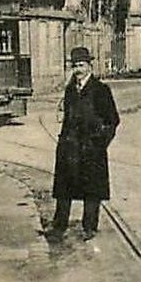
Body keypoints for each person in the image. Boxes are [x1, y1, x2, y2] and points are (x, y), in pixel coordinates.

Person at [47, 47, 119, 240]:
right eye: (75, 66)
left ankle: (89, 227)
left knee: (91, 190)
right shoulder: (71, 89)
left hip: (91, 147)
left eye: (81, 65)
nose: (78, 70)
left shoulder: (101, 90)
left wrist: (100, 142)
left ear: (89, 66)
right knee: (64, 188)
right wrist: (63, 141)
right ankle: (59, 226)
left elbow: (112, 120)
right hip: (70, 147)